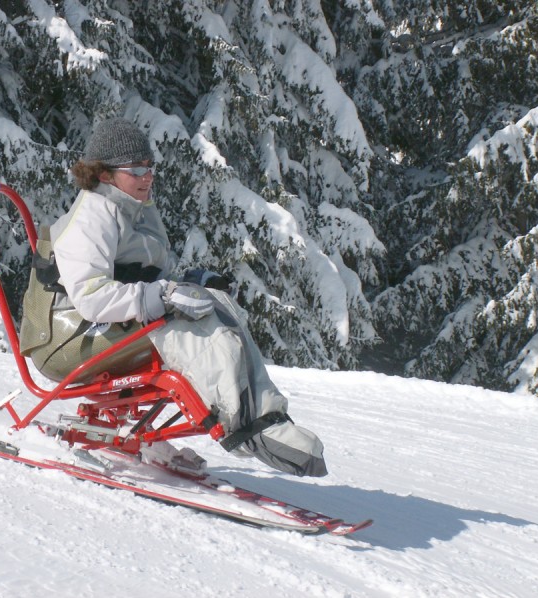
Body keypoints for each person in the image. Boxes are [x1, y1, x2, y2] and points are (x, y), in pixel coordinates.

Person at [19, 117, 327, 477]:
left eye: (150, 166)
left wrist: (187, 284)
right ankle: (250, 427)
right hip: (65, 339)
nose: (147, 176)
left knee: (214, 305)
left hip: (102, 326)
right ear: (104, 174)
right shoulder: (92, 216)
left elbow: (146, 276)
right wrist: (163, 296)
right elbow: (91, 297)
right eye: (136, 169)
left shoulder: (135, 208)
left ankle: (266, 417)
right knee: (187, 326)